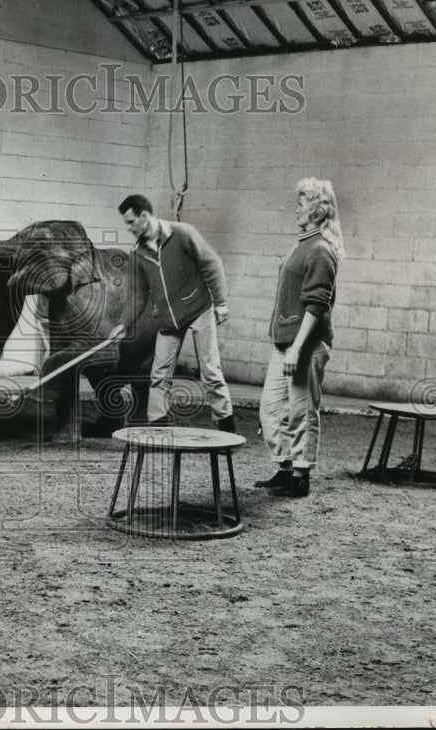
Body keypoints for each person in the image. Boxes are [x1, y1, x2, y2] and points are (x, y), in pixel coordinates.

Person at [109, 194, 236, 433]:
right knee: (159, 373)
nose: (128, 228)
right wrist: (124, 324)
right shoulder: (138, 254)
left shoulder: (182, 234)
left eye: (130, 222)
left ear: (144, 217)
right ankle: (159, 425)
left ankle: (226, 423)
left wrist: (220, 302)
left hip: (198, 309)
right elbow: (137, 295)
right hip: (168, 319)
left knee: (210, 371)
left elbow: (212, 264)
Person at [256, 177, 344, 499]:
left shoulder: (321, 250)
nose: (296, 209)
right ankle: (284, 467)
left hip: (304, 345)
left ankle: (301, 474)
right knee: (269, 408)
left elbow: (317, 303)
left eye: (301, 204)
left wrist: (296, 348)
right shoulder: (301, 245)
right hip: (287, 343)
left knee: (301, 409)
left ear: (318, 211)